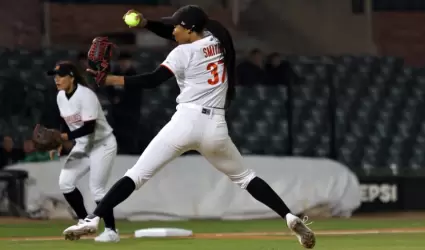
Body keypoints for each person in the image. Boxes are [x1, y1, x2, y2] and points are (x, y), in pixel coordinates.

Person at [63, 5, 315, 248]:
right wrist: (146, 23)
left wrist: (110, 79)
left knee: (136, 175)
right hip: (215, 127)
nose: (172, 31)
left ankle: (92, 220)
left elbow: (152, 80)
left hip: (186, 122)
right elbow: (183, 31)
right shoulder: (218, 41)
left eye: (176, 26)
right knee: (247, 177)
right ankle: (290, 217)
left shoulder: (182, 53)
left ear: (189, 29)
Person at [47, 61, 119, 242]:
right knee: (66, 182)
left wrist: (63, 138)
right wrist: (59, 143)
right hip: (83, 145)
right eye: (55, 76)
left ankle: (111, 231)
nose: (57, 79)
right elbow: (65, 121)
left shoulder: (86, 95)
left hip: (102, 144)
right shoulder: (60, 96)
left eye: (61, 76)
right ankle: (83, 223)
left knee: (97, 189)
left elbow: (89, 127)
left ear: (71, 77)